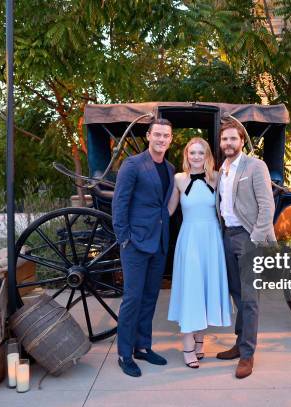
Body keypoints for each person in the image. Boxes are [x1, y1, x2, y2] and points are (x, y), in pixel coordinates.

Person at [112, 118, 175, 377]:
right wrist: (124, 238)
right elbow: (120, 203)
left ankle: (143, 347)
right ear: (149, 136)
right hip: (135, 243)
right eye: (157, 134)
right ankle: (124, 353)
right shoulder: (133, 165)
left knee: (150, 297)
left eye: (166, 136)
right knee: (133, 298)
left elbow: (165, 205)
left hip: (158, 242)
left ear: (170, 139)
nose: (161, 139)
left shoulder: (170, 168)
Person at [215, 119, 276, 379]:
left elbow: (267, 207)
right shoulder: (222, 169)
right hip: (227, 236)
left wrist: (256, 239)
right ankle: (240, 344)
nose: (228, 143)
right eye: (224, 139)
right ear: (221, 143)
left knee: (250, 299)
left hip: (248, 237)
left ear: (241, 141)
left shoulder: (255, 166)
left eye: (233, 139)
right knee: (237, 294)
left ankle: (248, 355)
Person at [167, 138, 232, 369]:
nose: (196, 156)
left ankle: (199, 341)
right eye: (192, 152)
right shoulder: (178, 179)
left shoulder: (217, 177)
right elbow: (169, 210)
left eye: (200, 152)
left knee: (204, 288)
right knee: (191, 289)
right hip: (190, 239)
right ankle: (187, 347)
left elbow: (231, 204)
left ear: (207, 156)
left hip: (211, 238)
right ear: (186, 155)